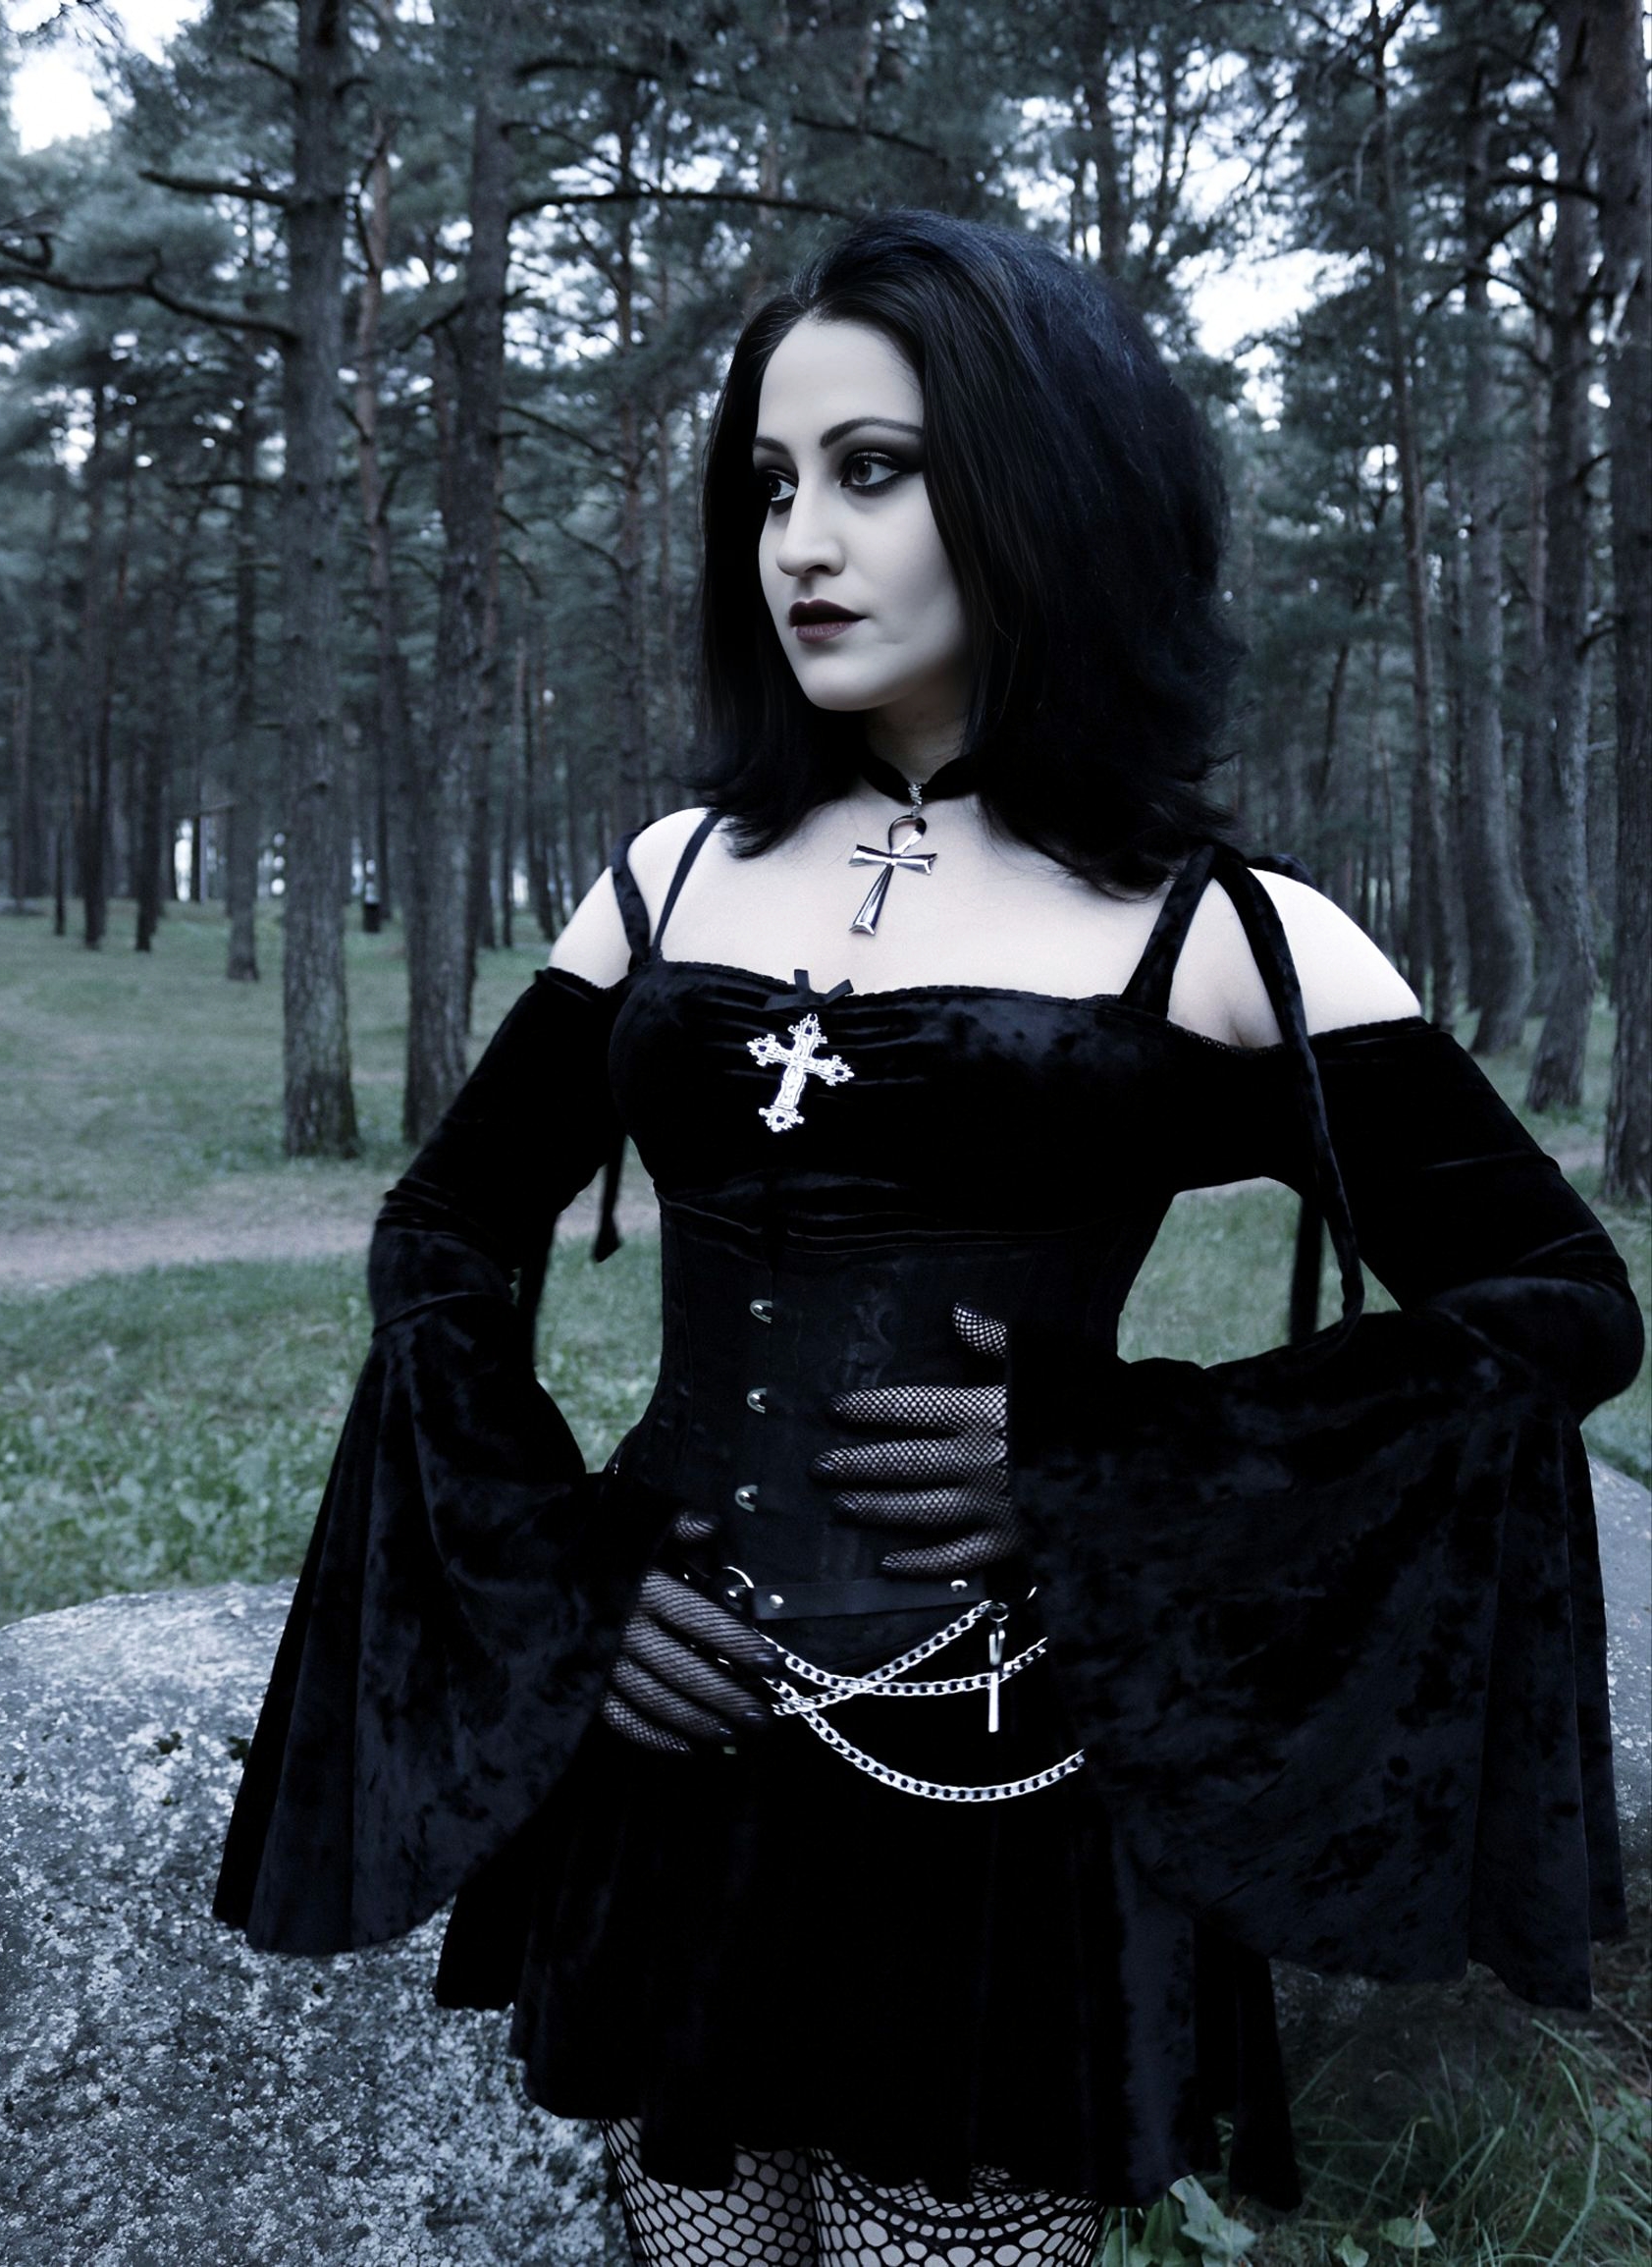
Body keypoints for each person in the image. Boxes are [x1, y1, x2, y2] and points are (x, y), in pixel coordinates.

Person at [215, 212, 1642, 2267]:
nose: (799, 542)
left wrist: (1118, 1460)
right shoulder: (671, 877)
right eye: (769, 484)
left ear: (1040, 485)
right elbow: (446, 1224)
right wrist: (560, 1563)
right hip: (677, 1745)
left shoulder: (1226, 933)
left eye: (871, 472)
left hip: (1002, 1784)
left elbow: (1556, 1306)